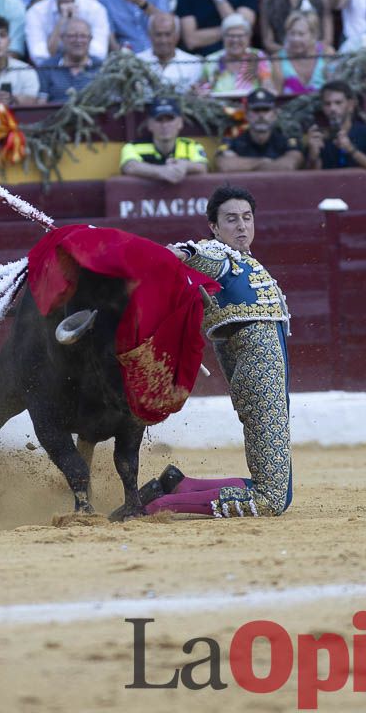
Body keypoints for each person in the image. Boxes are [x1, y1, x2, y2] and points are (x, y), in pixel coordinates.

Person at [135, 186, 294, 519]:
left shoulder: (243, 261)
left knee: (276, 489)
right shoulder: (218, 255)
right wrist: (181, 254)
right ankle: (158, 505)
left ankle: (179, 485)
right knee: (272, 499)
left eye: (247, 218)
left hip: (267, 379)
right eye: (231, 219)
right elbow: (196, 254)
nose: (241, 226)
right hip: (259, 380)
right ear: (214, 226)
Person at [306, 80, 366, 208]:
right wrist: (313, 156)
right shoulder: (318, 137)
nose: (332, 108)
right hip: (330, 206)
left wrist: (352, 150)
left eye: (338, 103)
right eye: (327, 104)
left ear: (350, 105)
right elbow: (313, 183)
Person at [25, 0, 110, 64]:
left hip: (86, 68)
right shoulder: (36, 12)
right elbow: (39, 57)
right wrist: (62, 21)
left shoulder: (96, 9)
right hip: (49, 70)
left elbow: (99, 53)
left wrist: (74, 24)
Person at [118, 97, 208, 183]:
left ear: (180, 122)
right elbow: (129, 166)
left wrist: (185, 165)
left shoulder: (191, 146)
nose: (165, 125)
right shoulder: (133, 147)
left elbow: (203, 167)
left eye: (170, 119)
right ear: (149, 124)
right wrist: (162, 171)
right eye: (159, 120)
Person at [216, 87, 303, 172]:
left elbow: (290, 165)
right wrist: (262, 162)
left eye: (266, 110)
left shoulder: (286, 140)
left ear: (275, 114)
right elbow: (224, 165)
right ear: (246, 114)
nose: (261, 115)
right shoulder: (234, 140)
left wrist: (244, 164)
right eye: (256, 110)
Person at [195, 12, 271, 95]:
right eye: (230, 36)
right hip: (218, 106)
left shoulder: (258, 56)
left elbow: (267, 86)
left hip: (251, 106)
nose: (235, 40)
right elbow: (203, 89)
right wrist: (200, 91)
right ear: (223, 37)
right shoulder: (212, 60)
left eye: (240, 36)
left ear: (248, 37)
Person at [37, 16, 102, 102]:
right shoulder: (47, 68)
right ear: (62, 38)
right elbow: (41, 103)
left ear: (90, 39)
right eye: (72, 36)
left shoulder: (102, 68)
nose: (78, 40)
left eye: (83, 36)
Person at [136, 11, 202, 91]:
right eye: (158, 34)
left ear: (177, 35)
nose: (163, 40)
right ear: (150, 35)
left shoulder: (193, 64)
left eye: (168, 34)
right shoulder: (136, 62)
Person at [272, 9, 332, 94]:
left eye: (301, 34)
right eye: (292, 33)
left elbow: (335, 89)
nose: (295, 39)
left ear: (314, 35)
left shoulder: (327, 53)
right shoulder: (278, 59)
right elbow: (277, 96)